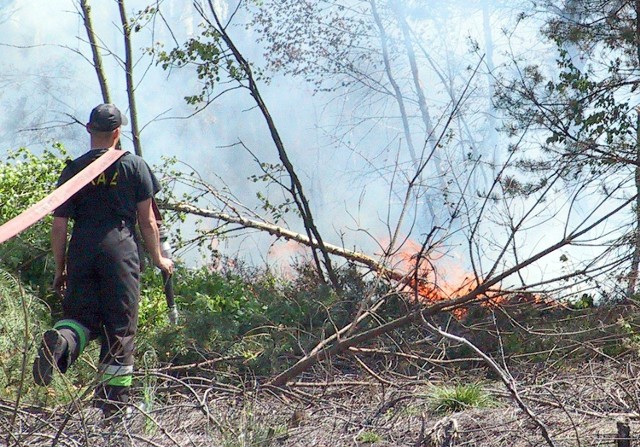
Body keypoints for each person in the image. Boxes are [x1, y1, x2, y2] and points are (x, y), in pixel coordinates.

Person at [32, 103, 174, 418]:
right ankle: (113, 411)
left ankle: (60, 343)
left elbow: (58, 225)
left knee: (80, 320)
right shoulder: (135, 167)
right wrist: (159, 259)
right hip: (120, 254)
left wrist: (60, 269)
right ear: (117, 133)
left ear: (88, 130)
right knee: (120, 330)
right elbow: (147, 221)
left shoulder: (73, 170)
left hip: (82, 251)